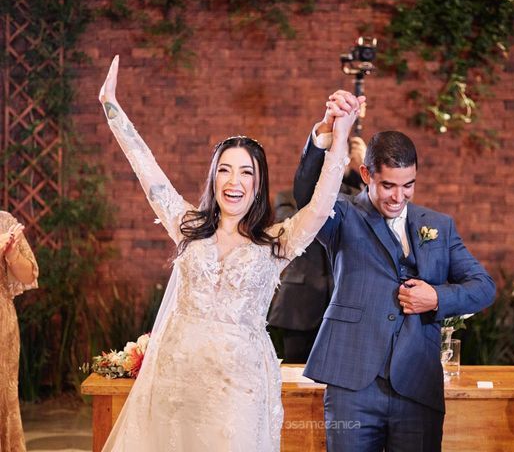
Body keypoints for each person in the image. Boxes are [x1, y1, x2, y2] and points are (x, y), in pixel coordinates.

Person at [97, 55, 361, 451]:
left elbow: (322, 207)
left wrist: (339, 136)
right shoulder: (187, 227)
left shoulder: (275, 242)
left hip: (239, 386)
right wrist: (112, 107)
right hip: (178, 379)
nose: (234, 181)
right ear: (213, 176)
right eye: (225, 169)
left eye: (246, 172)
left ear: (258, 184)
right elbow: (147, 170)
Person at [293, 90, 496, 451]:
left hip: (417, 385)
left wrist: (436, 296)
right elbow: (307, 193)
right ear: (366, 174)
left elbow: (484, 287)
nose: (398, 197)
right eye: (388, 185)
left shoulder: (439, 225)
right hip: (352, 383)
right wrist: (326, 131)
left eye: (408, 186)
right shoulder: (341, 216)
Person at [268, 138, 366, 363]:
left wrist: (365, 173)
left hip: (342, 302)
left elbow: (381, 217)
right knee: (295, 376)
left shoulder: (356, 195)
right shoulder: (288, 197)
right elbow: (290, 230)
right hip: (299, 305)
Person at [0, 212, 39, 452]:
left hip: (2, 327)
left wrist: (12, 254)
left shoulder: (4, 221)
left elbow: (29, 274)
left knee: (4, 401)